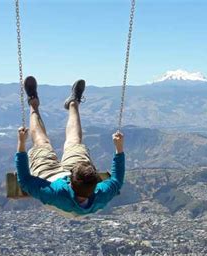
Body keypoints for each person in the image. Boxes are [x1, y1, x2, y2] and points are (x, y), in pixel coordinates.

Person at [15, 76, 125, 217]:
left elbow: (25, 180)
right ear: (96, 185)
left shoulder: (54, 193)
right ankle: (73, 103)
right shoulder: (101, 193)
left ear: (70, 182)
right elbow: (117, 180)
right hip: (78, 184)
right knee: (74, 142)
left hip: (50, 177)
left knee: (42, 144)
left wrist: (21, 143)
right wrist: (119, 149)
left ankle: (33, 103)